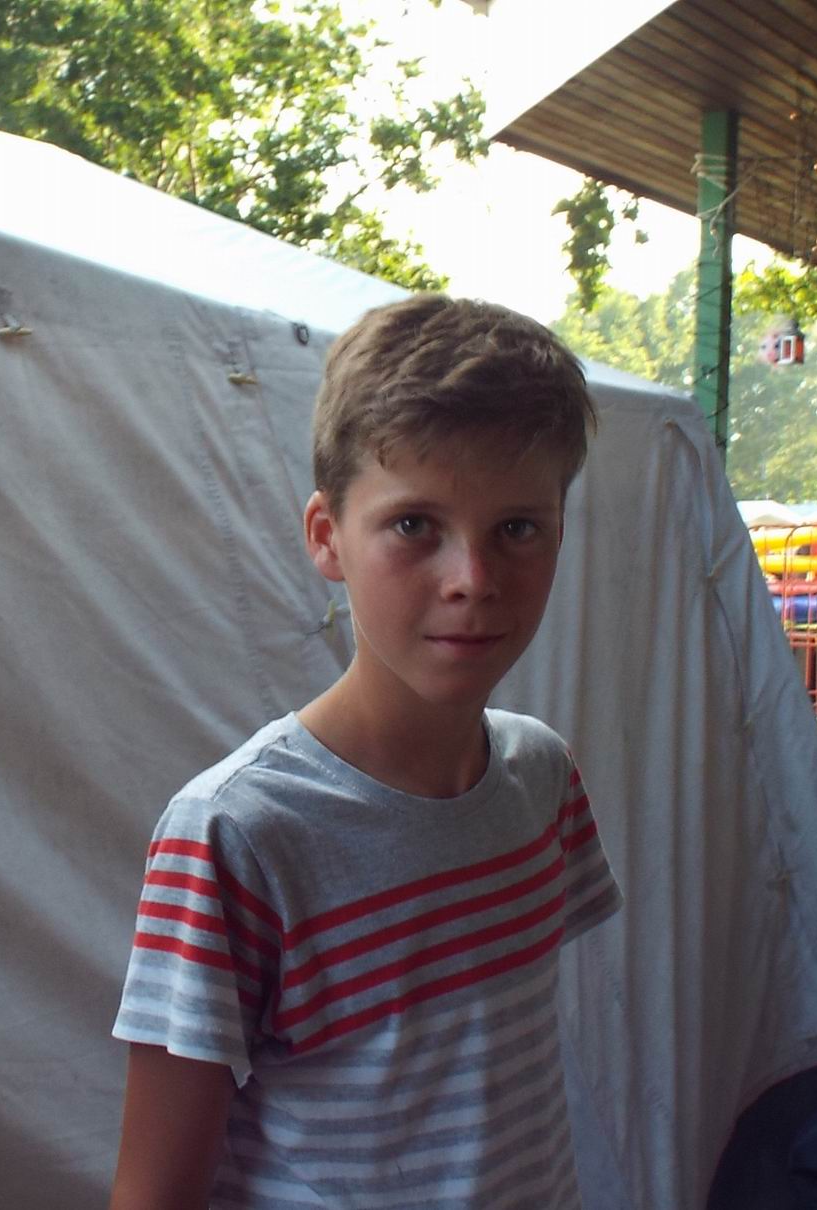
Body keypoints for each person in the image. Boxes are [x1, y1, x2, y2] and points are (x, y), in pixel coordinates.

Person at [109, 295, 621, 1210]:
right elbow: (154, 1193)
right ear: (326, 537)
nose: (472, 580)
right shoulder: (234, 834)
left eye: (516, 529)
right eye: (414, 525)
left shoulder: (541, 779)